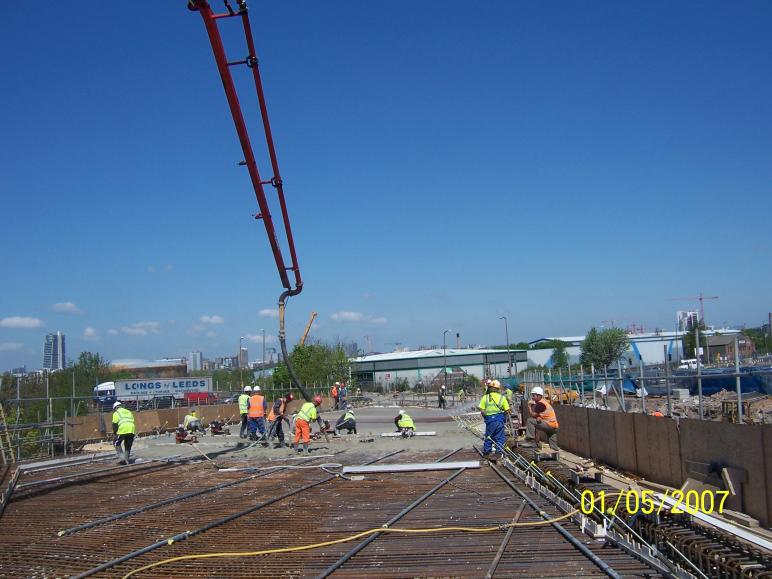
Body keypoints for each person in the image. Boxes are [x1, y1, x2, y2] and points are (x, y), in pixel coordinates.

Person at [479, 379, 510, 459]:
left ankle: (486, 454)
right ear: (498, 389)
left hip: (489, 420)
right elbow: (507, 410)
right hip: (499, 419)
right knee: (499, 437)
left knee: (489, 437)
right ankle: (498, 454)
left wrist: (486, 417)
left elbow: (482, 411)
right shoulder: (502, 398)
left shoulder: (485, 397)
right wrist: (503, 416)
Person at [525, 386, 560, 451]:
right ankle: (555, 453)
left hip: (549, 424)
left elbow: (533, 415)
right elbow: (542, 414)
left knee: (530, 421)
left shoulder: (540, 404)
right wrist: (538, 417)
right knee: (552, 438)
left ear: (539, 396)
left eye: (533, 395)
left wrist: (529, 406)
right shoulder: (544, 402)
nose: (532, 397)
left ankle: (531, 440)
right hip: (554, 426)